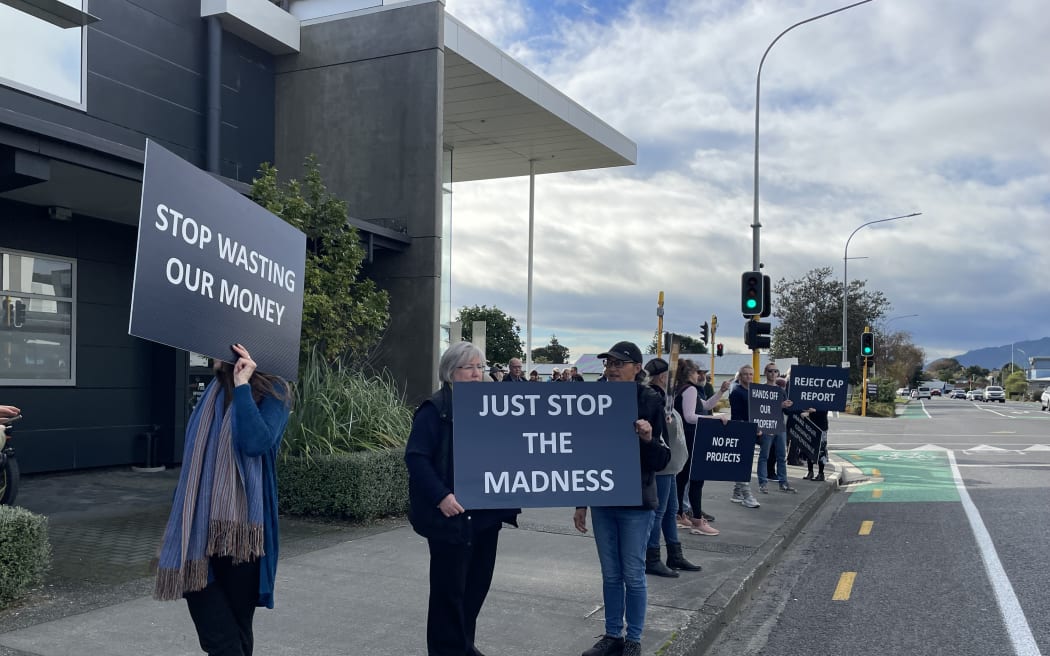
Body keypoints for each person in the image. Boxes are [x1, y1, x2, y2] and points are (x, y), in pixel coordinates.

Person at [155, 344, 292, 656]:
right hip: (197, 531)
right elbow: (194, 464)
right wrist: (178, 523)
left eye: (220, 345)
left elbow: (256, 443)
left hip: (243, 534)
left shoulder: (275, 391)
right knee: (218, 636)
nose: (211, 351)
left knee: (235, 634)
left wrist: (243, 387)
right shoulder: (212, 392)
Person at [405, 341, 520, 656]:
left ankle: (463, 646)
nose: (475, 373)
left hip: (486, 517)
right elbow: (416, 458)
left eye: (480, 367)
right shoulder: (435, 407)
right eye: (468, 367)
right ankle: (447, 650)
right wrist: (441, 496)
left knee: (475, 590)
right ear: (449, 372)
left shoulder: (493, 407)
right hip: (452, 518)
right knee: (448, 594)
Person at [574, 341, 670, 656]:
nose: (612, 369)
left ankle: (634, 639)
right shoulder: (593, 399)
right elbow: (584, 452)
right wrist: (581, 502)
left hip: (637, 501)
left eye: (619, 363)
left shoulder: (651, 400)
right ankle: (613, 635)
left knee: (633, 572)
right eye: (608, 364)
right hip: (603, 500)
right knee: (611, 573)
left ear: (636, 368)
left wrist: (646, 438)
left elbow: (663, 459)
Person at [642, 358, 702, 578]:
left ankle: (674, 553)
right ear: (663, 377)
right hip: (664, 467)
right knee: (660, 513)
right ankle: (653, 557)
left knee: (669, 512)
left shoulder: (663, 399)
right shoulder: (654, 399)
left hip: (671, 466)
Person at [673, 361, 728, 535]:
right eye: (698, 372)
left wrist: (720, 392)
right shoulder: (690, 389)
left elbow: (705, 406)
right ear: (691, 373)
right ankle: (697, 520)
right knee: (696, 478)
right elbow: (690, 417)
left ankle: (680, 514)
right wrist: (715, 419)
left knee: (682, 478)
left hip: (683, 438)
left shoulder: (681, 389)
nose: (700, 375)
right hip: (691, 437)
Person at [757, 363, 796, 494]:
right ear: (765, 372)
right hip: (766, 426)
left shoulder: (781, 391)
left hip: (779, 426)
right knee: (764, 455)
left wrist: (789, 406)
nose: (773, 374)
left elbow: (786, 411)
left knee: (781, 456)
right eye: (770, 371)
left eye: (775, 371)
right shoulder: (760, 390)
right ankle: (762, 483)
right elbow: (760, 409)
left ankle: (783, 483)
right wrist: (780, 405)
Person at [727, 365, 761, 509]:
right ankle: (747, 495)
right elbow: (738, 415)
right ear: (740, 376)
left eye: (751, 374)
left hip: (752, 430)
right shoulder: (736, 391)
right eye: (746, 374)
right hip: (741, 430)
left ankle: (737, 493)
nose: (749, 376)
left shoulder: (754, 391)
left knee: (745, 462)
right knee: (743, 464)